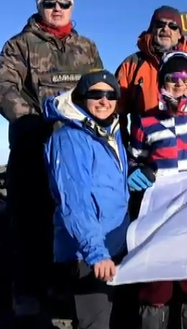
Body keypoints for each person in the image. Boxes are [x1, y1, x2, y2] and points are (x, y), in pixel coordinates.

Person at [0, 0, 105, 320]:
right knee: (28, 227)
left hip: (78, 154)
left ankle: (67, 292)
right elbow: (1, 90)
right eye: (50, 3)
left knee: (72, 219)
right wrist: (41, 122)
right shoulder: (19, 46)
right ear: (40, 6)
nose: (57, 8)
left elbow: (100, 91)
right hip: (33, 153)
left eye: (64, 3)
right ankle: (26, 298)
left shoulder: (87, 47)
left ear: (72, 7)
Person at [126, 51, 187, 329]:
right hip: (159, 215)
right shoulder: (145, 122)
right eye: (172, 78)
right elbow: (134, 157)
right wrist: (135, 169)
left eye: (185, 79)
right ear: (162, 83)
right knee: (156, 287)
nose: (179, 84)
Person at [43, 71, 132, 329]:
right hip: (89, 252)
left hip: (115, 242)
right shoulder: (69, 138)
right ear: (81, 97)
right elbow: (75, 201)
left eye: (110, 94)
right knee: (96, 322)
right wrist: (96, 252)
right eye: (95, 94)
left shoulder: (109, 132)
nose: (104, 101)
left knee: (118, 318)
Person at [117, 5, 187, 131]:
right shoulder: (132, 64)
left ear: (180, 34)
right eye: (160, 24)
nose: (166, 29)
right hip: (143, 145)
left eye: (173, 26)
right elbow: (115, 111)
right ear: (151, 29)